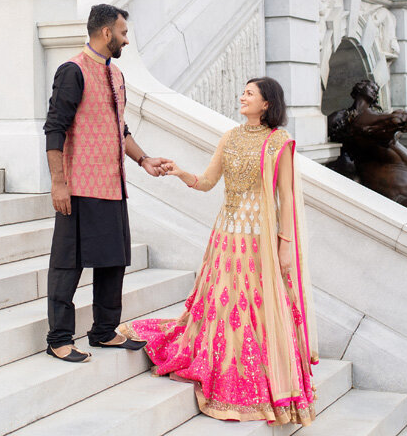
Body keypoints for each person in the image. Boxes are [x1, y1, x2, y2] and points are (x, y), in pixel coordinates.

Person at [119, 78, 318, 425]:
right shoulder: (230, 137)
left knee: (258, 309)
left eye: (250, 93)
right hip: (227, 238)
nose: (242, 97)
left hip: (261, 241)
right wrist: (181, 172)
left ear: (267, 103)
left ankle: (261, 379)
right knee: (224, 307)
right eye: (242, 92)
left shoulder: (279, 143)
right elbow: (207, 182)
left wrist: (286, 245)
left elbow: (286, 199)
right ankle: (225, 367)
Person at [42, 4, 171, 363]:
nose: (126, 40)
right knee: (68, 264)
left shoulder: (116, 76)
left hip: (113, 185)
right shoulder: (72, 71)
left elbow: (120, 129)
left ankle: (103, 331)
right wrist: (58, 183)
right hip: (80, 186)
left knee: (113, 261)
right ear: (105, 33)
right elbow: (55, 128)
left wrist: (144, 159)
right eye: (123, 33)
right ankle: (58, 338)